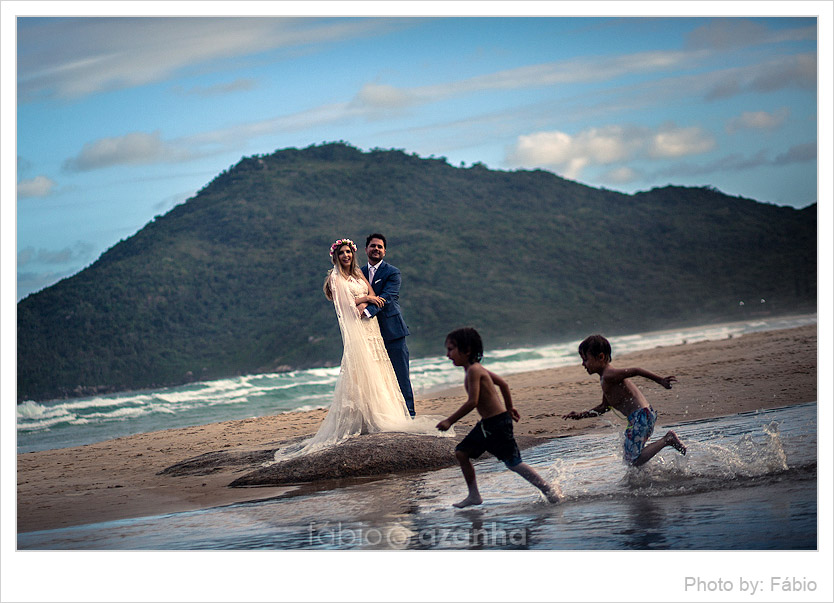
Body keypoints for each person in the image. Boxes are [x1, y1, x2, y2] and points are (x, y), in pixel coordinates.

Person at [273, 239, 449, 461]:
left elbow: (382, 295)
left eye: (348, 251)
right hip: (359, 329)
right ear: (361, 251)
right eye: (342, 252)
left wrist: (366, 304)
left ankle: (404, 415)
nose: (346, 255)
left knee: (393, 374)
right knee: (365, 371)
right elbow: (347, 305)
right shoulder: (336, 278)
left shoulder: (374, 273)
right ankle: (367, 417)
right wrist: (366, 299)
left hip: (382, 328)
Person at [436, 327, 561, 508]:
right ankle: (474, 495)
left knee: (513, 463)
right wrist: (509, 407)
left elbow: (473, 402)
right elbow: (503, 383)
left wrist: (450, 420)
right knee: (462, 453)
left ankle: (548, 490)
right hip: (492, 423)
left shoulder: (473, 371)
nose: (448, 355)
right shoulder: (477, 369)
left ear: (467, 350)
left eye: (451, 349)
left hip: (495, 424)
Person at [562, 334, 687, 467]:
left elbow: (636, 370)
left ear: (601, 357)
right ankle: (648, 473)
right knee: (632, 458)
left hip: (641, 417)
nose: (583, 364)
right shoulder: (605, 379)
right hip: (642, 417)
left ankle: (667, 440)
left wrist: (660, 380)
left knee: (632, 460)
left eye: (585, 359)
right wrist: (580, 415)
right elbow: (604, 407)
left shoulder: (610, 375)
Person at [360, 234, 416, 417]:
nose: (376, 249)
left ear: (384, 251)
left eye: (380, 247)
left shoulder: (393, 272)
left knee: (401, 375)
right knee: (378, 378)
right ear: (366, 249)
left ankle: (409, 415)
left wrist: (366, 313)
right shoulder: (359, 274)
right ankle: (387, 416)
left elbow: (388, 296)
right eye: (373, 246)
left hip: (393, 332)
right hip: (370, 335)